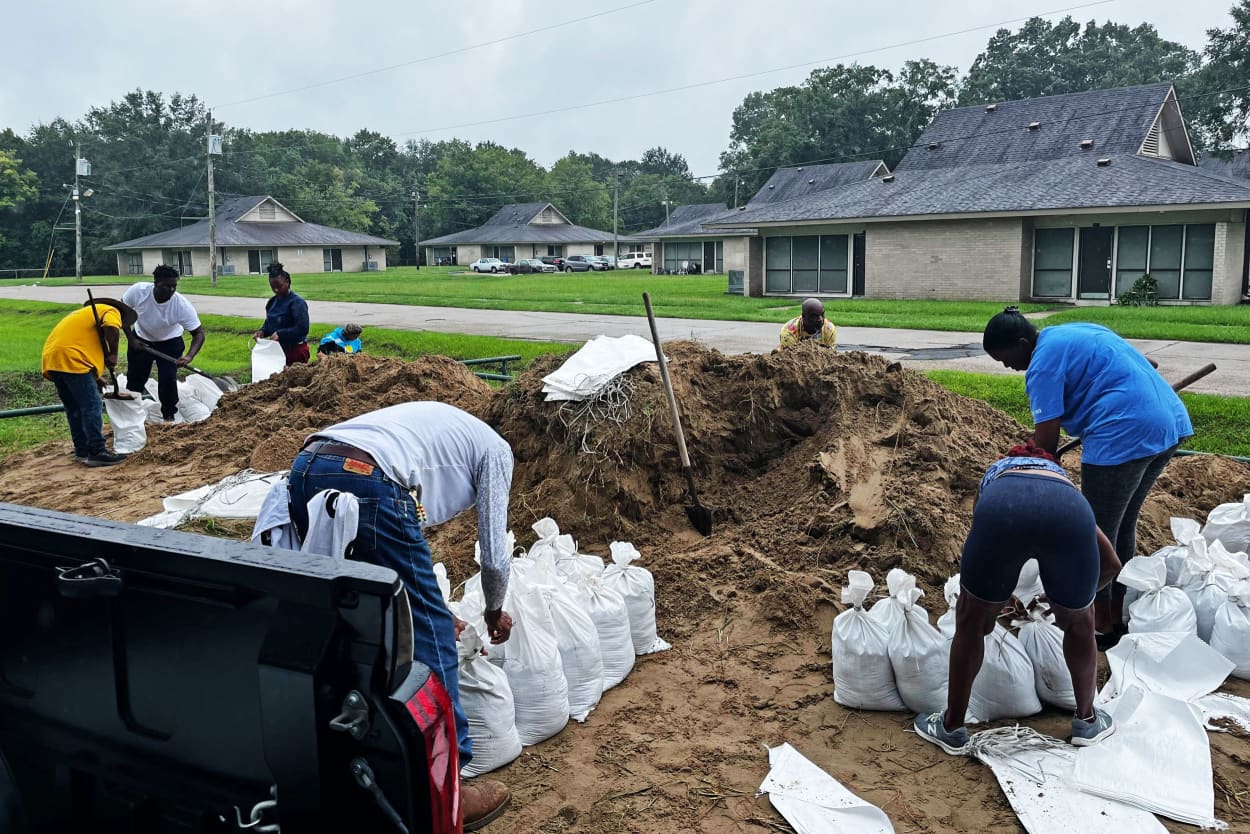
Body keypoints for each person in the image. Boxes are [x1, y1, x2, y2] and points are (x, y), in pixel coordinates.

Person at [286, 401, 514, 830]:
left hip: (307, 467)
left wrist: (437, 608)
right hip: (369, 478)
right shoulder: (496, 451)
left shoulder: (433, 434)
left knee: (347, 615)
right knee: (434, 637)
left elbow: (397, 564)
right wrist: (494, 608)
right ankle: (450, 788)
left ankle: (347, 753)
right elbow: (495, 556)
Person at [982, 307, 1193, 643]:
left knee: (1092, 532)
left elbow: (1047, 442)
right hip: (1166, 423)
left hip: (1124, 433)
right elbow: (1144, 364)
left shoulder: (1042, 366)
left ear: (1022, 343)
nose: (1008, 367)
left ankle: (1101, 625)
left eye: (1006, 359)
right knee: (1122, 526)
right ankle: (1118, 615)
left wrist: (1024, 462)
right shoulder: (1073, 331)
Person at [914, 442, 1121, 755]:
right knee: (1081, 624)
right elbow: (1112, 565)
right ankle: (1087, 721)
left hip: (1001, 508)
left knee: (970, 623)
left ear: (1009, 461)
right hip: (1070, 515)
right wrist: (1072, 600)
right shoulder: (1063, 485)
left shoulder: (997, 477)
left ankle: (952, 726)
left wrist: (995, 597)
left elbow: (984, 549)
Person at [41, 299, 137, 467]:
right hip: (72, 359)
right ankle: (97, 451)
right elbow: (112, 329)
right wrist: (113, 354)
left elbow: (82, 345)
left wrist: (96, 377)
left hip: (54, 359)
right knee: (91, 406)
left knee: (75, 408)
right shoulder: (111, 311)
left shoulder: (86, 315)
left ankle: (82, 451)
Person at [122, 265, 206, 421]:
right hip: (140, 339)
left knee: (167, 380)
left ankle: (169, 416)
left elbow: (199, 334)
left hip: (170, 343)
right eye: (166, 286)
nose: (171, 290)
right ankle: (130, 415)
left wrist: (189, 356)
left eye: (174, 286)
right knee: (135, 379)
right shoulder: (138, 291)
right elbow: (120, 312)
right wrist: (131, 339)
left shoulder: (181, 305)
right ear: (155, 283)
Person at [253, 262, 310, 365]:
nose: (276, 290)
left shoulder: (297, 303)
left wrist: (281, 334)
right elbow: (269, 322)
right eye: (272, 287)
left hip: (295, 351)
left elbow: (303, 328)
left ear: (287, 282)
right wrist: (262, 332)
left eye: (279, 286)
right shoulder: (271, 303)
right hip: (277, 351)